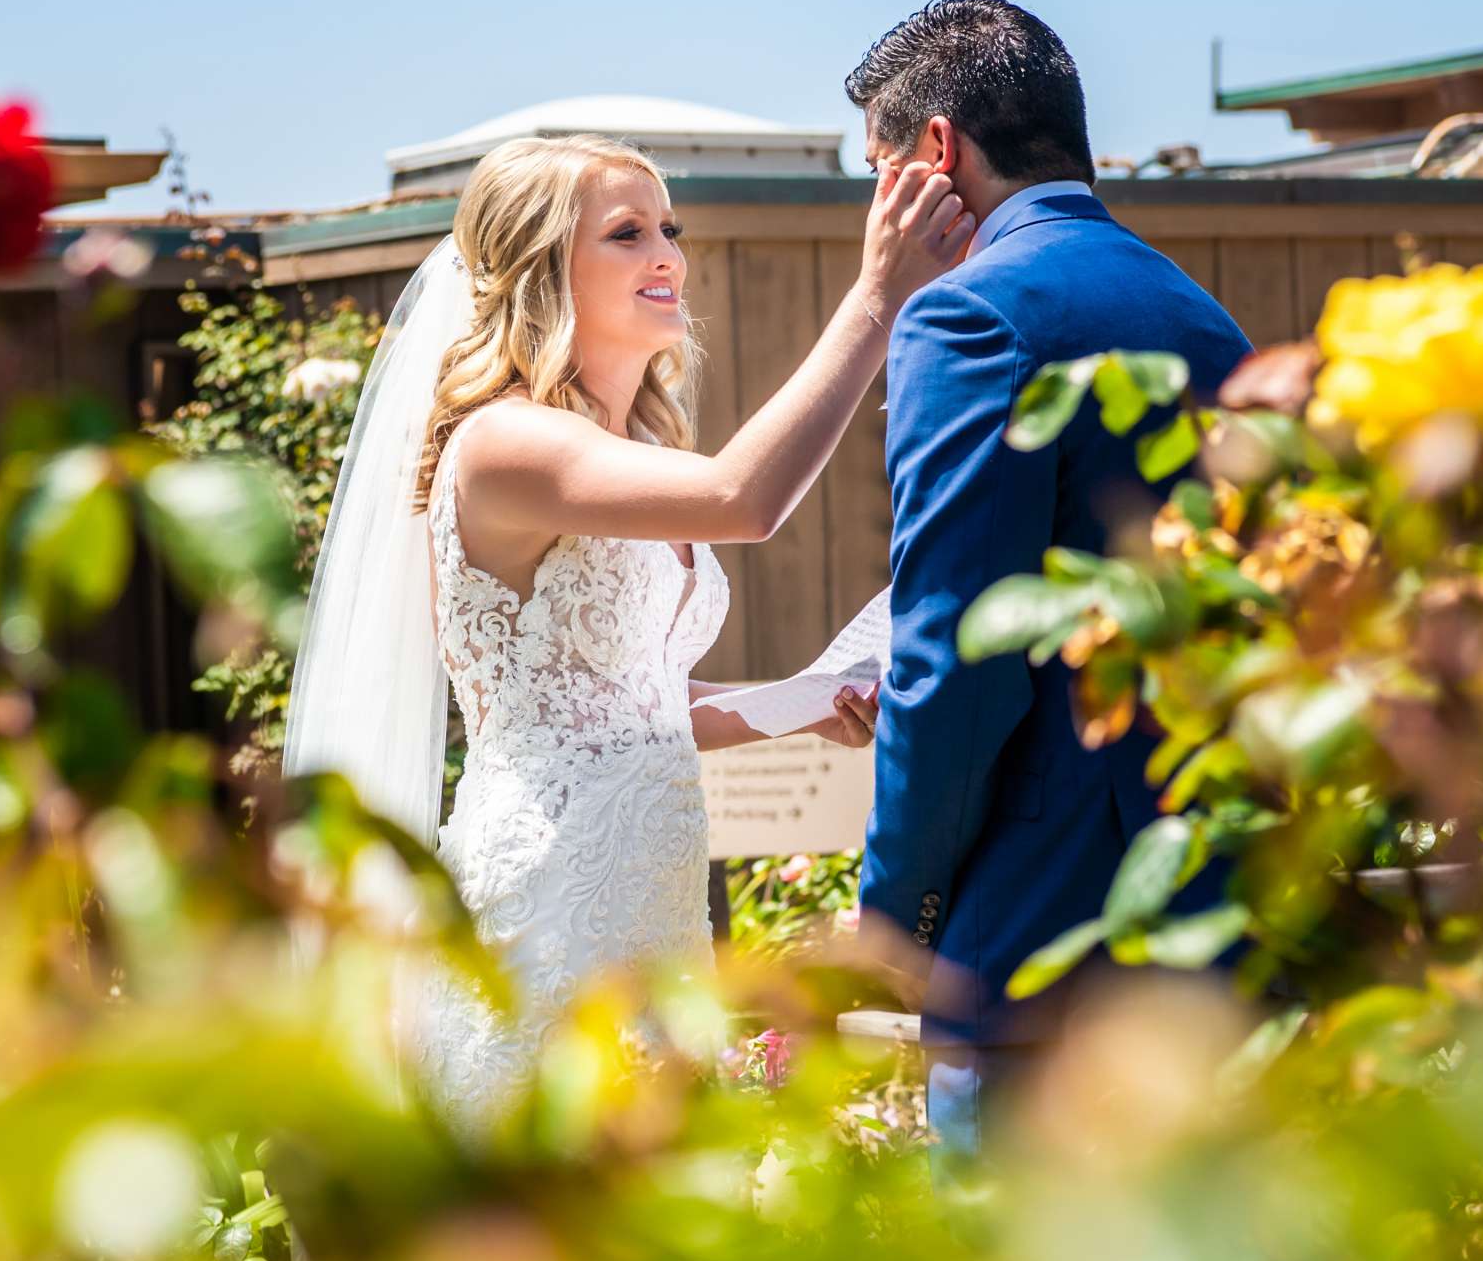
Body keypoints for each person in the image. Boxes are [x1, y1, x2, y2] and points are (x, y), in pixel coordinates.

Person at [283, 131, 970, 1134]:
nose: (668, 256)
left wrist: (796, 704)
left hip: (651, 895)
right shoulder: (507, 443)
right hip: (552, 889)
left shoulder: (624, 445)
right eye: (626, 233)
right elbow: (748, 498)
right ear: (537, 271)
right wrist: (875, 298)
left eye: (669, 229)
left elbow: (618, 705)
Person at [847, 0, 1254, 1161]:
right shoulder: (1203, 315)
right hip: (1209, 933)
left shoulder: (970, 317)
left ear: (934, 155)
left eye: (878, 173)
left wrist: (894, 922)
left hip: (1034, 951)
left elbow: (956, 667)